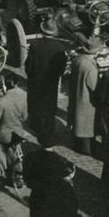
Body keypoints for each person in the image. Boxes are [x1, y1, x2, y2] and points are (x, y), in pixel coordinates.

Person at [26, 18, 68, 147]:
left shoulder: (35, 45)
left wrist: (32, 75)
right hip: (51, 82)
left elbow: (28, 66)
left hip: (36, 81)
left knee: (36, 104)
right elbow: (62, 68)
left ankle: (36, 127)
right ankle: (49, 130)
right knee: (49, 105)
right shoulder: (60, 48)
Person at [0, 72, 28, 188]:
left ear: (5, 85)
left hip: (5, 133)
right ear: (17, 83)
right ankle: (18, 178)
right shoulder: (23, 95)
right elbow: (24, 117)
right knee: (14, 153)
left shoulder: (1, 102)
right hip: (18, 132)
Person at [67, 37, 103, 155]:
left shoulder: (78, 60)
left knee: (78, 122)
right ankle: (86, 150)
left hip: (76, 96)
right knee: (87, 127)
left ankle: (76, 144)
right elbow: (94, 87)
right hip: (87, 101)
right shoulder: (90, 67)